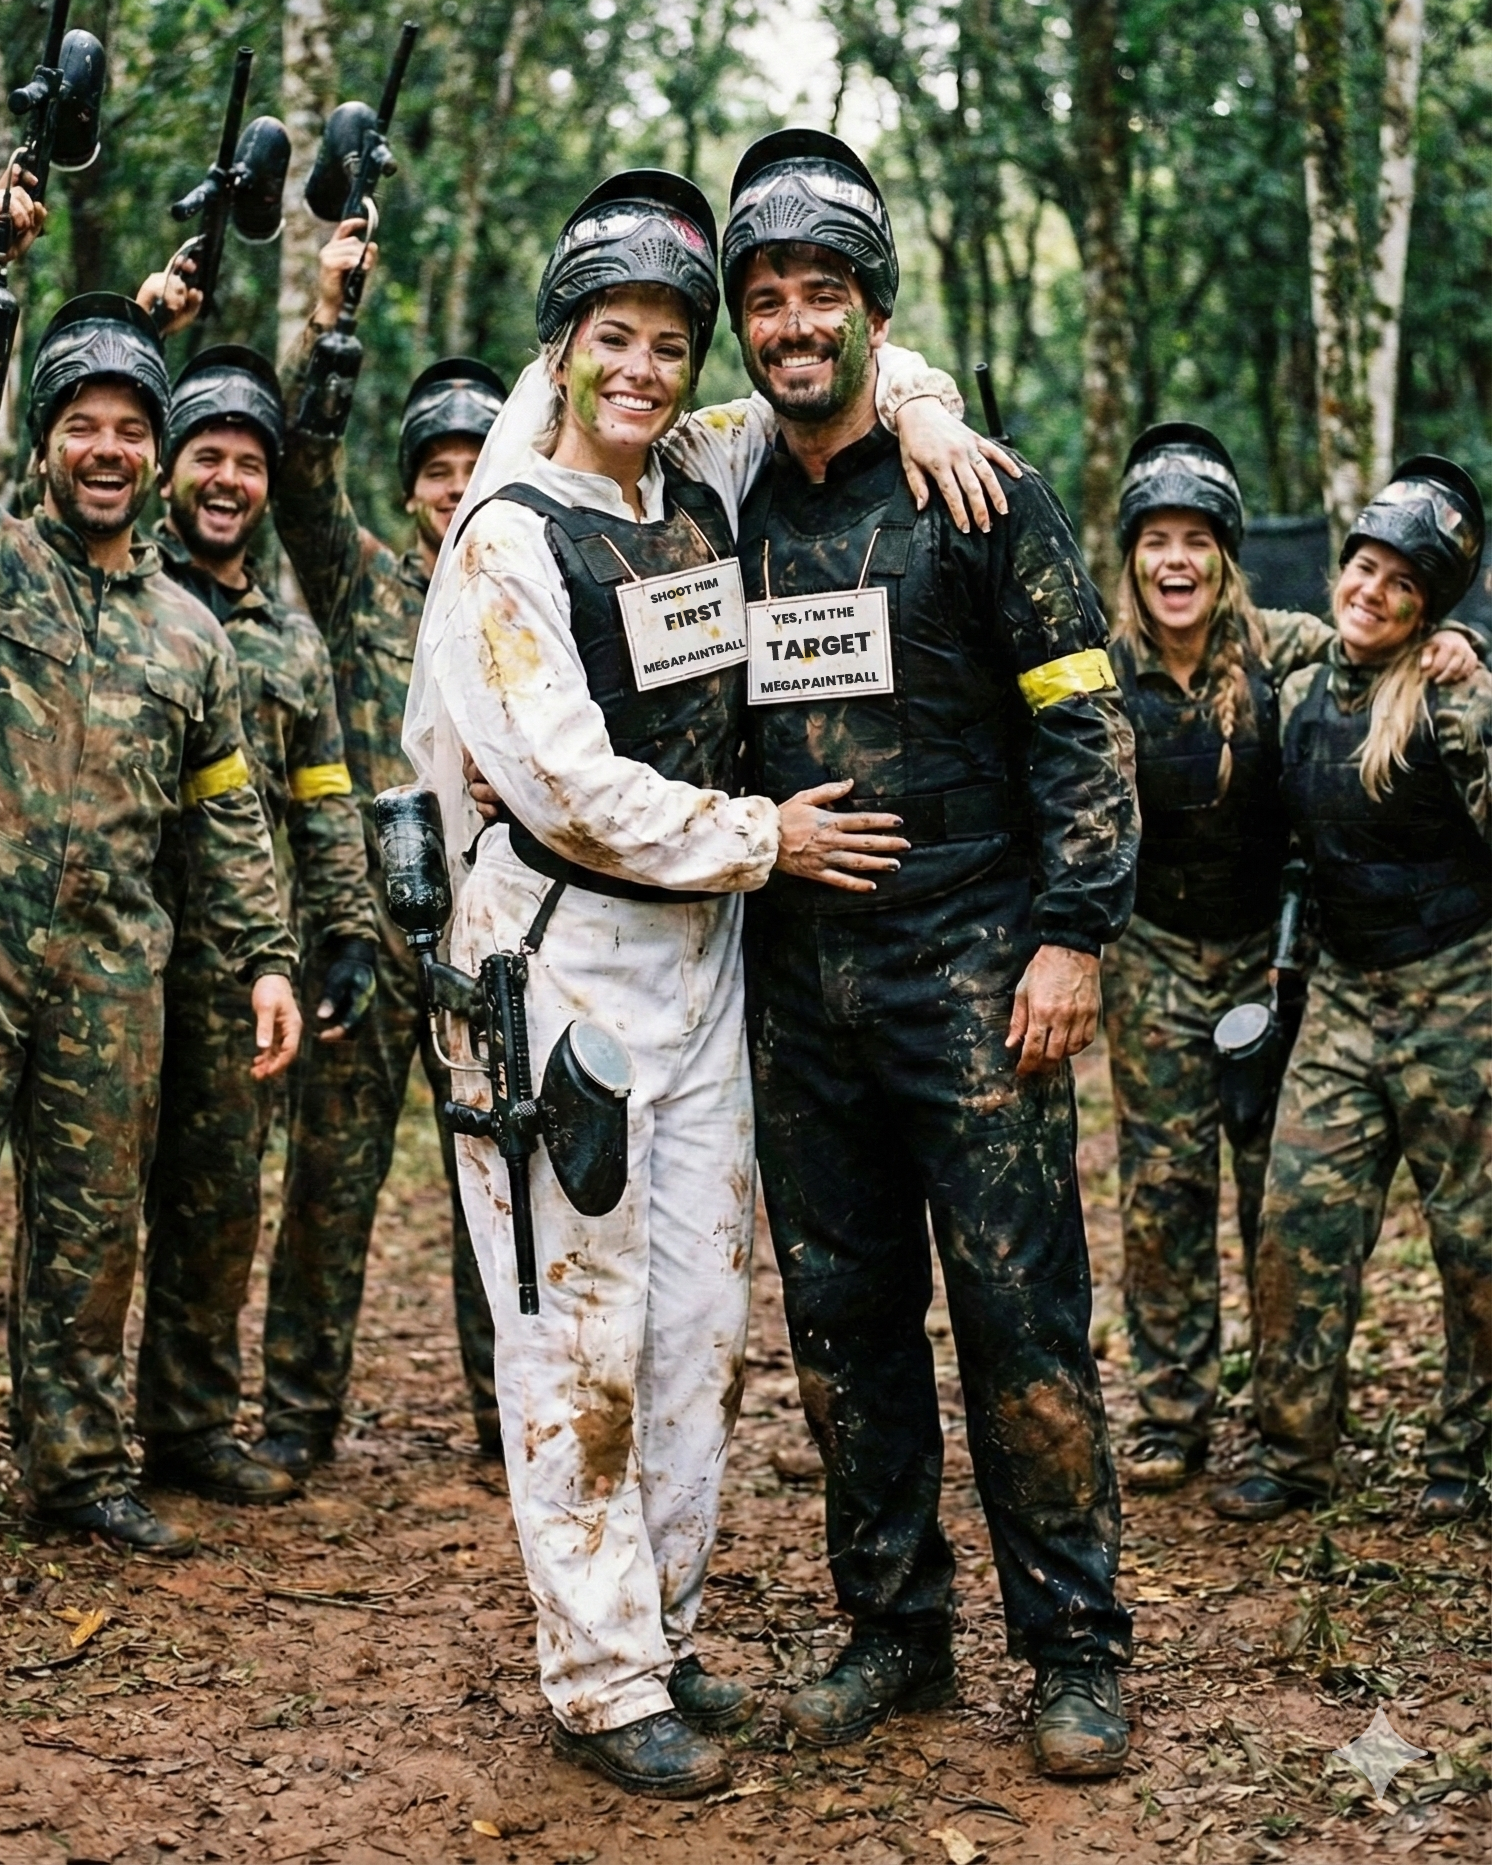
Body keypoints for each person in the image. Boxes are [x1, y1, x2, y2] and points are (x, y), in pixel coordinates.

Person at [409, 167, 1004, 1798]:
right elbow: (567, 782)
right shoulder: (506, 535)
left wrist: (936, 410)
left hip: (707, 957)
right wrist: (764, 834)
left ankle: (656, 1632)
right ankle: (597, 1682)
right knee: (575, 1333)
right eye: (617, 337)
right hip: (562, 960)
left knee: (696, 1327)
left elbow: (843, 370)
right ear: (564, 345)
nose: (649, 371)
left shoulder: (702, 472)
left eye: (673, 341)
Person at [699, 129, 1138, 1778]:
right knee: (841, 1321)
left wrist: (1074, 939)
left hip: (976, 977)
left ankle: (1077, 1653)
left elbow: (1083, 730)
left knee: (1022, 1317)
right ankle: (895, 1629)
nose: (795, 322)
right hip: (798, 993)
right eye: (768, 299)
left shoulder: (977, 488)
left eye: (824, 294)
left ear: (873, 311)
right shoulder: (724, 499)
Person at [0, 173, 300, 1556]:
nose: (108, 450)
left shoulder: (192, 634)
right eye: (82, 428)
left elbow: (225, 822)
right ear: (44, 446)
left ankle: (80, 1468)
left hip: (116, 962)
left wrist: (268, 956)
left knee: (94, 1228)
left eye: (130, 432)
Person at [1101, 426, 1479, 1493]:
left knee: (1293, 1193)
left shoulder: (1288, 647)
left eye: (1197, 541)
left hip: (1286, 968)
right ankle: (1181, 1414)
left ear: (1228, 555)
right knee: (1167, 1190)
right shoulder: (1101, 665)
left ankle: (1338, 1429)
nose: (1175, 561)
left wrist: (1461, 647)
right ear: (1130, 553)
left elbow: (1390, 659)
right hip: (1158, 952)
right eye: (1155, 540)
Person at [259, 228, 511, 1472]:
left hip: (499, 934)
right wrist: (329, 327)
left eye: (478, 466)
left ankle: (506, 1419)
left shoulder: (532, 589)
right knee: (330, 1181)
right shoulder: (364, 585)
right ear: (411, 485)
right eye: (437, 470)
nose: (456, 488)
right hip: (367, 931)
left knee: (497, 1179)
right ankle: (298, 1424)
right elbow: (303, 476)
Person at [121, 332, 377, 1506]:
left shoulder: (291, 635)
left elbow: (327, 798)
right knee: (94, 1205)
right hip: (116, 945)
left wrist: (348, 929)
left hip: (237, 965)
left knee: (221, 1203)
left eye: (249, 463)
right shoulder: (120, 588)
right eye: (206, 455)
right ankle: (65, 1446)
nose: (227, 480)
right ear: (170, 465)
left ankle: (186, 1428)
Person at [1210, 458, 1492, 1525]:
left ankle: (1465, 1451)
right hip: (1340, 991)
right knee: (1298, 1220)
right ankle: (1296, 1452)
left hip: (1455, 989)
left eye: (1400, 585)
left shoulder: (1455, 693)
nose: (1370, 591)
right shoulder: (1302, 685)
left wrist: (1476, 675)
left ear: (1430, 611)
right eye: (1363, 568)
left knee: (1473, 1236)